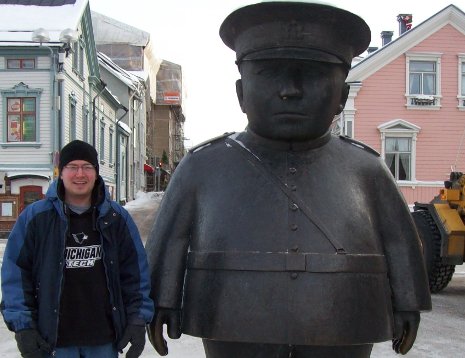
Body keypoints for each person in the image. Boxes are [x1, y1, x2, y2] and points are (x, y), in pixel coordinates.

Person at [145, 2, 431, 357]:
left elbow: (399, 239)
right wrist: (159, 297)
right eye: (268, 74)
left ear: (341, 95)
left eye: (311, 75)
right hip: (233, 316)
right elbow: (170, 237)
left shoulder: (367, 169)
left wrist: (408, 300)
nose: (290, 90)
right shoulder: (202, 166)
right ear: (240, 93)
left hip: (342, 318)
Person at [1, 140, 154, 358]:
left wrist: (138, 320)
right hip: (53, 342)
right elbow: (16, 273)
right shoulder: (36, 218)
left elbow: (136, 275)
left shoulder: (116, 219)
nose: (79, 174)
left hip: (104, 341)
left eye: (87, 167)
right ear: (61, 172)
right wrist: (23, 325)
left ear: (96, 173)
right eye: (72, 167)